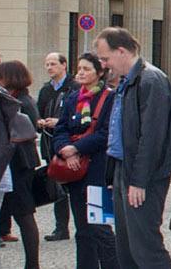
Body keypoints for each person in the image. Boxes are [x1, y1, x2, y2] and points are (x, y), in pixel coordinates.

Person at [94, 27, 171, 269]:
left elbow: (152, 137)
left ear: (121, 51)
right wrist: (115, 174)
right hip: (126, 169)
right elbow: (120, 132)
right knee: (127, 246)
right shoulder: (130, 80)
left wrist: (139, 180)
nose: (104, 64)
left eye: (105, 58)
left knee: (145, 247)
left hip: (143, 175)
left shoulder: (151, 80)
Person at [53, 54, 119, 269]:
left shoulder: (110, 97)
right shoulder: (73, 98)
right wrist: (65, 150)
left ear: (99, 73)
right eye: (79, 68)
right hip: (75, 172)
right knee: (82, 229)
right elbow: (61, 128)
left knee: (99, 228)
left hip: (97, 171)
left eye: (86, 69)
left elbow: (106, 132)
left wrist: (78, 148)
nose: (80, 72)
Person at [0, 60, 43, 269]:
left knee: (24, 213)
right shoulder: (19, 98)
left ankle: (32, 264)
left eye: (0, 76)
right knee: (22, 213)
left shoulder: (22, 101)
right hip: (18, 161)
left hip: (19, 162)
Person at [33, 53, 72, 243]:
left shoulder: (73, 87)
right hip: (51, 144)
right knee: (58, 187)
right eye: (47, 64)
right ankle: (61, 227)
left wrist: (60, 122)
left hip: (71, 145)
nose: (49, 68)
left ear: (64, 65)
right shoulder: (45, 90)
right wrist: (40, 122)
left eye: (53, 64)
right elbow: (38, 112)